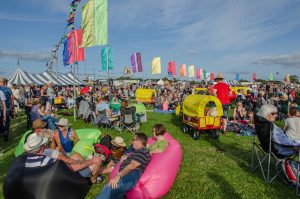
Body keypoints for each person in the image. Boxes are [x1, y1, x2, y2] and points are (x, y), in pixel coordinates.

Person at [23, 132, 104, 183]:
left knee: (76, 155)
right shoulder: (46, 160)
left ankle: (88, 171)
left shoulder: (28, 159)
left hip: (49, 179)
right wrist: (91, 161)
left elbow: (68, 160)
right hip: (63, 181)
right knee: (97, 162)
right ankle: (91, 180)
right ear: (42, 145)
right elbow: (74, 168)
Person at [96, 133, 150, 199]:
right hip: (128, 174)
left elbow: (133, 165)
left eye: (133, 140)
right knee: (110, 191)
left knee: (110, 188)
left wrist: (118, 175)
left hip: (131, 174)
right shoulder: (138, 151)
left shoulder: (142, 151)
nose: (131, 142)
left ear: (139, 141)